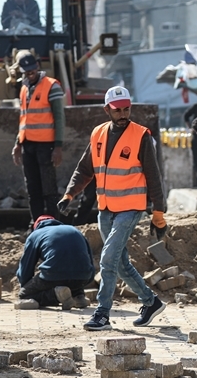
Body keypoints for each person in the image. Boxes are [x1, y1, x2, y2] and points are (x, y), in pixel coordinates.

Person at [59, 86, 167, 331]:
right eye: (118, 110)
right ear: (107, 109)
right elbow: (85, 169)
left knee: (108, 259)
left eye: (127, 109)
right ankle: (151, 302)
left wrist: (158, 213)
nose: (123, 114)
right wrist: (69, 194)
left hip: (131, 208)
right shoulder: (98, 134)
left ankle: (102, 314)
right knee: (119, 263)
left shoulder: (140, 136)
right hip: (106, 208)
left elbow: (153, 176)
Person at [11, 51, 65, 224]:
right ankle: (36, 224)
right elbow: (24, 119)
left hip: (46, 146)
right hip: (28, 145)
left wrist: (58, 146)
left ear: (38, 66)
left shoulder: (51, 86)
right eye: (26, 71)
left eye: (32, 70)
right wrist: (18, 144)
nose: (30, 73)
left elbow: (59, 117)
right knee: (33, 189)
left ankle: (54, 224)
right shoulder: (24, 88)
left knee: (49, 189)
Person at [17, 215, 95, 309]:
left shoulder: (35, 234)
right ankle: (78, 296)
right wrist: (86, 280)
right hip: (83, 277)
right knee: (73, 274)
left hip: (54, 274)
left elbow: (26, 267)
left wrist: (26, 287)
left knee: (24, 295)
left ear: (36, 226)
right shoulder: (74, 230)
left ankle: (56, 296)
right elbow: (90, 260)